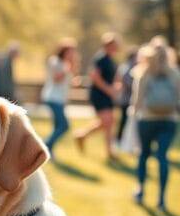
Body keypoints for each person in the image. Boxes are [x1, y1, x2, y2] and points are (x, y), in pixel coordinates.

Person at [132, 42, 180, 211]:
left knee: (144, 154)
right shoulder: (175, 73)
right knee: (162, 157)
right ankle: (161, 199)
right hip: (169, 120)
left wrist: (133, 118)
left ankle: (140, 190)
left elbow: (137, 99)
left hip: (147, 119)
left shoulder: (144, 72)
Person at [75, 32, 121, 160]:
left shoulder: (111, 60)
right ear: (108, 45)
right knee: (107, 121)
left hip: (107, 94)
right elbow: (95, 77)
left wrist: (116, 86)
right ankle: (109, 151)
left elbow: (114, 77)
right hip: (99, 94)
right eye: (115, 45)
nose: (117, 47)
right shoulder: (100, 58)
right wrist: (109, 90)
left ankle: (83, 136)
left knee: (109, 122)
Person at [41, 39, 78, 158]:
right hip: (52, 97)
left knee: (57, 126)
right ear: (64, 51)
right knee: (64, 125)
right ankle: (45, 144)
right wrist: (68, 68)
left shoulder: (66, 64)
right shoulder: (55, 61)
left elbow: (67, 80)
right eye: (70, 52)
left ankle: (49, 150)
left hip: (61, 99)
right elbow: (56, 79)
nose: (72, 54)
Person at [116, 47, 139, 142]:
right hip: (126, 99)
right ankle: (119, 139)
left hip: (128, 99)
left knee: (126, 121)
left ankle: (122, 140)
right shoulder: (127, 67)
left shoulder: (128, 67)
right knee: (124, 120)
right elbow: (127, 82)